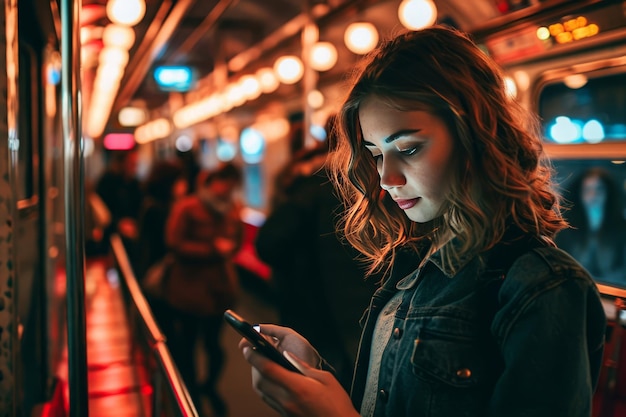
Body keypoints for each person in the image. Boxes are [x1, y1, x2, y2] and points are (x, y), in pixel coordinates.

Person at [236, 26, 606, 417]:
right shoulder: (415, 262)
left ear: (474, 133)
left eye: (408, 148)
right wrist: (319, 376)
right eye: (376, 154)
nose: (385, 179)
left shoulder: (543, 287)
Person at [255, 115, 378, 389]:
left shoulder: (309, 184)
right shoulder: (369, 186)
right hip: (357, 312)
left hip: (316, 313)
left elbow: (268, 244)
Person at [164, 162, 244, 417]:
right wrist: (211, 250)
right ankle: (189, 393)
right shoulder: (187, 207)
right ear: (211, 183)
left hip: (219, 289)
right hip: (189, 287)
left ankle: (208, 384)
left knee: (214, 344)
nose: (227, 191)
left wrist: (229, 248)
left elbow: (237, 240)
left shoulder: (231, 209)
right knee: (188, 343)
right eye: (224, 184)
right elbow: (174, 242)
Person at [555, 166, 626, 287]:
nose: (593, 194)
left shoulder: (621, 229)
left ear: (608, 193)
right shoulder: (567, 228)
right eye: (588, 189)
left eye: (599, 189)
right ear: (580, 194)